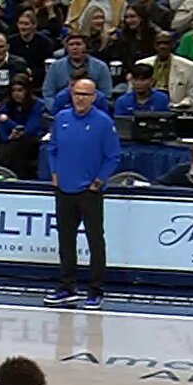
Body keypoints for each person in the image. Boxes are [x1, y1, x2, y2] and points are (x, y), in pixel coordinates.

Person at [44, 78, 119, 309]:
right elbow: (52, 148)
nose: (80, 98)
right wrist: (54, 172)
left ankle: (96, 290)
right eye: (77, 93)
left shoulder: (103, 122)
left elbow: (113, 156)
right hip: (64, 189)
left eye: (85, 94)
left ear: (94, 97)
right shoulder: (62, 118)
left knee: (95, 241)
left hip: (89, 192)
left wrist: (98, 181)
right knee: (65, 241)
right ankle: (67, 287)